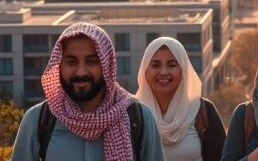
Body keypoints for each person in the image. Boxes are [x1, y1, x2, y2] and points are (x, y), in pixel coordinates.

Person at [11, 22, 165, 161]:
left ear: (107, 67)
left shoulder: (139, 118)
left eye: (92, 61)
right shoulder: (38, 120)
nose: (81, 72)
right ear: (59, 66)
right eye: (71, 62)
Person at [136, 37, 227, 161]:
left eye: (172, 65)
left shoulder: (203, 111)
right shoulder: (133, 114)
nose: (163, 72)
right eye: (155, 65)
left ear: (183, 70)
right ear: (144, 70)